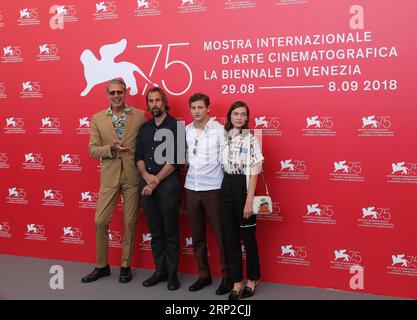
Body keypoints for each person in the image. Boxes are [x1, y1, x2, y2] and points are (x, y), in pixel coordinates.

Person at [82, 78, 147, 284]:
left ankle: (125, 266)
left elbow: (145, 145)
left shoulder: (139, 115)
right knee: (100, 221)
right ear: (107, 94)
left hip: (132, 176)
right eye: (113, 93)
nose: (117, 96)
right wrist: (110, 147)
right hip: (110, 176)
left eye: (120, 92)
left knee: (129, 222)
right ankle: (102, 266)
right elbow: (92, 150)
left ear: (126, 92)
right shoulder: (97, 118)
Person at [185, 93, 233, 295]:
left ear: (208, 108)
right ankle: (204, 275)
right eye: (193, 107)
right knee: (197, 237)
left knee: (222, 236)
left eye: (200, 107)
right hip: (191, 188)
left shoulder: (220, 131)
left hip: (213, 189)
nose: (196, 111)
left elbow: (227, 160)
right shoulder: (186, 130)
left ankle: (228, 278)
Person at [135, 87, 183, 290]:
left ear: (164, 102)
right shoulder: (144, 128)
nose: (154, 104)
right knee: (155, 231)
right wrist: (146, 177)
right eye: (151, 101)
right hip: (147, 185)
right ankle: (160, 271)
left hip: (168, 185)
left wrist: (155, 181)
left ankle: (172, 274)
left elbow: (177, 159)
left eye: (158, 100)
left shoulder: (177, 126)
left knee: (170, 230)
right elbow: (138, 157)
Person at [220, 101, 264, 300]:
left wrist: (249, 200)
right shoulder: (224, 137)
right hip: (226, 186)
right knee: (230, 240)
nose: (239, 117)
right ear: (230, 116)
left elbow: (255, 172)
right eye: (235, 113)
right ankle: (237, 281)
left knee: (248, 238)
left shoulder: (251, 139)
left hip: (244, 188)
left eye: (243, 114)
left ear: (247, 117)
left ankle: (252, 279)